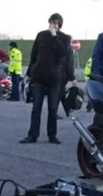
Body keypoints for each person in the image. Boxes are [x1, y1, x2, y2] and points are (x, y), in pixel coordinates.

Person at [20, 13, 71, 144]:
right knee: (36, 107)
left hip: (55, 78)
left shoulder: (65, 38)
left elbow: (62, 53)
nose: (53, 25)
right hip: (39, 77)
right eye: (51, 22)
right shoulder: (41, 35)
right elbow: (34, 55)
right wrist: (29, 73)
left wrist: (54, 36)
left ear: (60, 25)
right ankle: (32, 135)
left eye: (56, 23)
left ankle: (52, 135)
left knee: (53, 108)